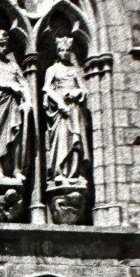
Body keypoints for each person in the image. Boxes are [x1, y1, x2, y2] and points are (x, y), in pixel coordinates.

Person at [0, 27, 31, 182]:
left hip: (13, 105)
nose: (4, 48)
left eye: (5, 45)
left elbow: (24, 83)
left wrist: (28, 101)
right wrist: (8, 86)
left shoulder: (13, 66)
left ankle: (16, 169)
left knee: (14, 135)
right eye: (0, 45)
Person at [42, 35, 90, 183]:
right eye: (61, 50)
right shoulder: (52, 69)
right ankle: (60, 172)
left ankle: (75, 173)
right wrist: (60, 102)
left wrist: (77, 92)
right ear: (57, 52)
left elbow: (84, 90)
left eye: (67, 50)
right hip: (61, 111)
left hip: (74, 109)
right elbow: (46, 88)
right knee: (62, 140)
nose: (65, 53)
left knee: (76, 140)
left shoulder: (74, 71)